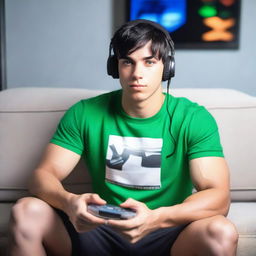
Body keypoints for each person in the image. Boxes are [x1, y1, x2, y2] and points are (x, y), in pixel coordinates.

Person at [8, 19, 238, 256]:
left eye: (149, 62)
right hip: (99, 229)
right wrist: (69, 202)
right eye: (128, 62)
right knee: (26, 211)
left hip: (168, 232)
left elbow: (219, 198)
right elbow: (41, 176)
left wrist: (156, 218)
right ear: (114, 67)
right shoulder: (85, 113)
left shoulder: (193, 118)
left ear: (167, 67)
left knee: (221, 231)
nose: (137, 73)